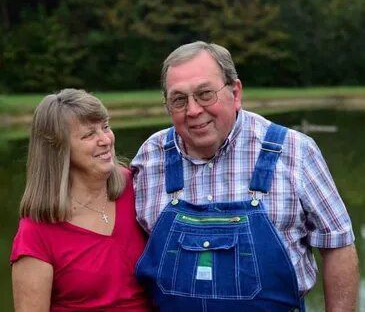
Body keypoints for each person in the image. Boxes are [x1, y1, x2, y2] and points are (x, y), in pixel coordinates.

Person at [131, 41, 359, 312]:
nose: (192, 110)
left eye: (205, 94)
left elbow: (338, 246)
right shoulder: (150, 157)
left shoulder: (294, 151)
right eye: (179, 99)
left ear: (235, 92)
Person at [11, 88, 152, 312]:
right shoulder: (36, 231)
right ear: (58, 150)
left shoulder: (137, 187)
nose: (105, 139)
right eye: (88, 135)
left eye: (105, 127)